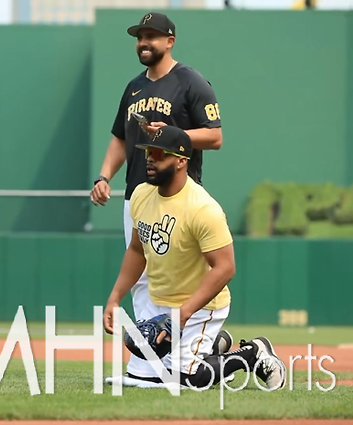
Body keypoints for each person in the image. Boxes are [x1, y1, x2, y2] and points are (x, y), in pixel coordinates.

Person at [90, 11, 231, 381]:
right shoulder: (134, 87)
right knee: (141, 276)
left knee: (170, 275)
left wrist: (173, 134)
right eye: (140, 36)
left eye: (152, 36)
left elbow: (214, 137)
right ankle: (152, 358)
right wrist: (105, 175)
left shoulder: (190, 82)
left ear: (170, 41)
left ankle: (169, 354)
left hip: (177, 194)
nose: (144, 42)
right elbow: (121, 137)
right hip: (137, 194)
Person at [102, 126, 286, 390]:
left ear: (181, 160)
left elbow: (225, 268)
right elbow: (136, 250)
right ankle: (213, 344)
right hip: (160, 302)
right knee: (146, 376)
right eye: (148, 153)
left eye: (159, 154)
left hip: (200, 306)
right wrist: (114, 297)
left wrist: (184, 313)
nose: (150, 159)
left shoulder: (202, 208)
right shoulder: (141, 194)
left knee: (185, 379)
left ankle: (252, 353)